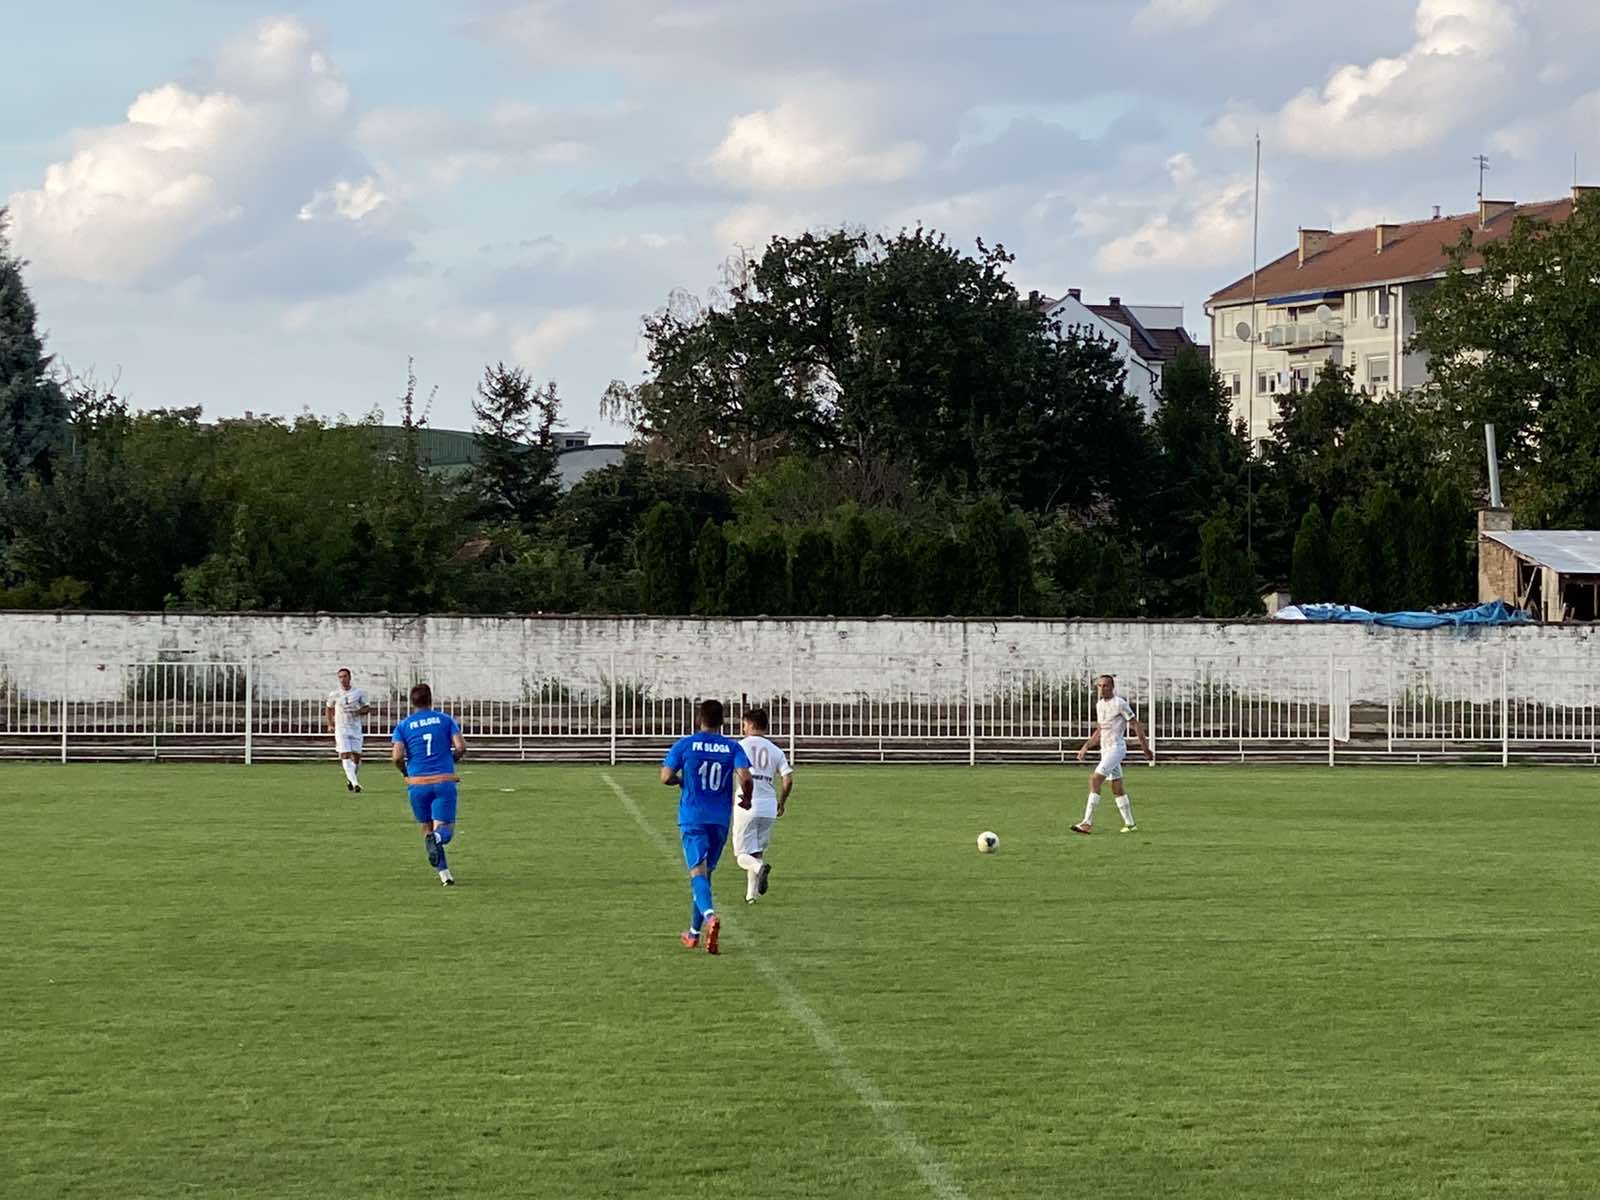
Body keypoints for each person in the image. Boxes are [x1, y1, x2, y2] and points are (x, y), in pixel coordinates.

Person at [660, 699, 752, 954]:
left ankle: (711, 917)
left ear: (699, 718)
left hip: (693, 817)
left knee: (697, 874)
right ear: (723, 721)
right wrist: (748, 797)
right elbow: (745, 776)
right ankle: (693, 933)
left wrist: (681, 781)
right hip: (720, 819)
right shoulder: (732, 747)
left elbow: (665, 777)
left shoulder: (686, 744)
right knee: (706, 874)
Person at [390, 683, 467, 886]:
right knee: (444, 830)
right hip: (443, 781)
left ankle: (445, 875)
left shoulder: (404, 726)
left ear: (411, 702)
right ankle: (438, 840)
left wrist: (406, 773)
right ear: (430, 699)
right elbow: (460, 747)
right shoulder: (445, 720)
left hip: (417, 784)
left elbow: (397, 756)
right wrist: (450, 762)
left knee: (426, 828)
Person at [1073, 674, 1150, 835]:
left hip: (1116, 748)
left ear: (1112, 687)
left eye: (1105, 686)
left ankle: (1087, 823)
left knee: (1095, 779)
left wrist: (1145, 749)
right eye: (1099, 686)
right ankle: (1130, 824)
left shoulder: (1120, 703)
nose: (1102, 689)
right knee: (1116, 788)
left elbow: (1135, 725)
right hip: (1105, 749)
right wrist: (1086, 747)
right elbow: (1101, 729)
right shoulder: (1100, 705)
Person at [734, 707, 793, 904]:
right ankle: (751, 895)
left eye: (743, 724)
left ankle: (760, 868)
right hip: (769, 805)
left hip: (747, 802)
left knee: (743, 855)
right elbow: (788, 779)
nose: (742, 728)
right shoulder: (776, 750)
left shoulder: (740, 746)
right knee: (757, 851)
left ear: (750, 724)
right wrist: (782, 802)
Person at [326, 667, 372, 793]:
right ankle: (356, 783)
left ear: (349, 677)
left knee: (356, 757)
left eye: (345, 676)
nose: (342, 679)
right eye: (340, 677)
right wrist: (330, 724)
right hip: (341, 728)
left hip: (355, 728)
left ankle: (351, 779)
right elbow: (329, 708)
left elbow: (367, 708)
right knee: (344, 754)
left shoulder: (358, 693)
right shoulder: (334, 694)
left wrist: (359, 711)